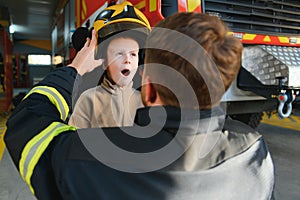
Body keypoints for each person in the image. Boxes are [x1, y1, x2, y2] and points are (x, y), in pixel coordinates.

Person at [4, 10, 274, 200]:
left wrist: (73, 71)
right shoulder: (254, 153)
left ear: (149, 89)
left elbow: (26, 124)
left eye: (134, 54)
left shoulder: (91, 163)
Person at [68, 2, 150, 127]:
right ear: (104, 61)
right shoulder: (88, 100)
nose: (127, 59)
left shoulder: (145, 101)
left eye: (133, 54)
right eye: (119, 53)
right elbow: (74, 141)